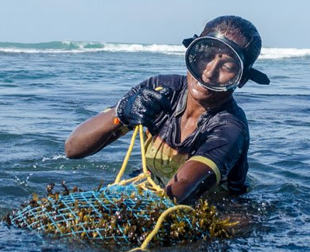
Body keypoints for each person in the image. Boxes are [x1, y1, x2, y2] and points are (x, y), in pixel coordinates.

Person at [64, 15, 268, 204]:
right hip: (156, 190)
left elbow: (180, 190)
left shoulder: (229, 129)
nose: (209, 72)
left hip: (219, 210)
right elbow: (73, 149)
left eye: (228, 67)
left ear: (240, 80)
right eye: (206, 55)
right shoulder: (161, 90)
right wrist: (123, 112)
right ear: (192, 54)